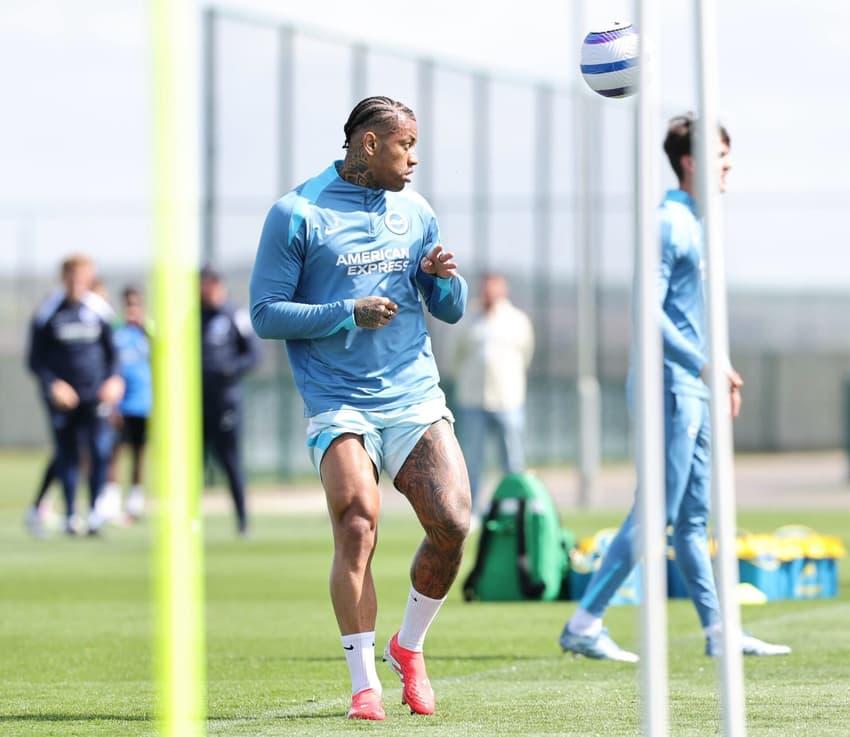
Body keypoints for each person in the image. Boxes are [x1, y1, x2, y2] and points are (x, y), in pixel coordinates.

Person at [250, 96, 471, 721]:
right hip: (338, 399)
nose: (416, 159)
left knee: (454, 523)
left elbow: (448, 309)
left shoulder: (416, 211)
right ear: (370, 146)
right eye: (407, 147)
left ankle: (410, 646)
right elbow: (265, 314)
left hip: (412, 394)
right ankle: (364, 683)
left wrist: (442, 279)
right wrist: (347, 311)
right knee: (356, 524)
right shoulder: (297, 213)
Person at [558, 114, 790, 661]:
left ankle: (718, 632)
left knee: (691, 518)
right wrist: (703, 366)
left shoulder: (700, 221)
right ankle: (585, 622)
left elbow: (698, 315)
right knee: (656, 511)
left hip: (698, 385)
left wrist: (722, 369)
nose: (729, 166)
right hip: (670, 386)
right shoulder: (668, 222)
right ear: (690, 162)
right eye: (720, 156)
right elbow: (649, 312)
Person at [26, 254, 124, 535]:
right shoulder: (49, 311)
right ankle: (70, 515)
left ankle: (94, 512)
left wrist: (114, 379)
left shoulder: (99, 310)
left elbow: (113, 353)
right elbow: (35, 359)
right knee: (67, 453)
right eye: (72, 276)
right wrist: (53, 384)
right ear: (64, 278)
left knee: (98, 450)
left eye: (83, 277)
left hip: (95, 394)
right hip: (63, 397)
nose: (77, 282)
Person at [453, 273, 534, 515]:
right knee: (472, 461)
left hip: (508, 399)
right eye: (485, 288)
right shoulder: (468, 319)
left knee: (513, 458)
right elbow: (456, 355)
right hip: (472, 400)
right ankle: (473, 510)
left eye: (493, 288)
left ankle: (515, 507)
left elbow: (526, 354)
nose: (488, 293)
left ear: (503, 290)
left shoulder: (517, 320)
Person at [200, 266, 259, 536]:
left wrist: (230, 369)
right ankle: (190, 522)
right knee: (192, 466)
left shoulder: (234, 315)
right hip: (195, 403)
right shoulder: (191, 316)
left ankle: (242, 520)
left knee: (230, 462)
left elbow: (253, 356)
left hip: (226, 401)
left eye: (211, 284)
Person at [105, 286, 152, 520]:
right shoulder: (116, 332)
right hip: (120, 403)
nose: (132, 309)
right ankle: (111, 501)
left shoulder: (149, 331)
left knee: (139, 453)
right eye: (129, 304)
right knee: (115, 452)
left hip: (143, 403)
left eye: (136, 304)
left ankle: (134, 501)